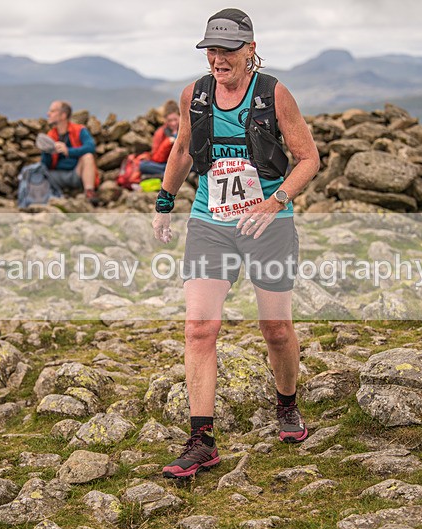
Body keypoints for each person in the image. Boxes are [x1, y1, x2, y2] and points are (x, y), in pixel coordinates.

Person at [153, 8, 320, 478]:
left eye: (227, 50)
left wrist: (275, 201)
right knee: (200, 329)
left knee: (276, 330)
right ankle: (201, 439)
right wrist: (165, 203)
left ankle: (287, 404)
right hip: (210, 222)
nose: (217, 59)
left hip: (268, 225)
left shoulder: (274, 94)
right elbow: (184, 149)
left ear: (250, 49)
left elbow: (308, 159)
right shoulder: (195, 94)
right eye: (211, 50)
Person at [37, 100, 99, 206]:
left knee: (88, 156)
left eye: (52, 111)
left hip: (76, 173)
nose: (48, 114)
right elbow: (46, 165)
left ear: (63, 115)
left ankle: (89, 192)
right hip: (56, 175)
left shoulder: (79, 130)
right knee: (37, 171)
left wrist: (68, 151)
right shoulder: (51, 135)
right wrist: (47, 151)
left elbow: (91, 147)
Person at [139, 100, 180, 177]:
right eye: (170, 120)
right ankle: (170, 174)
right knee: (143, 165)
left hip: (181, 163)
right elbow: (157, 158)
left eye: (175, 120)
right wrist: (168, 142)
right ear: (165, 120)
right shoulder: (160, 132)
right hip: (164, 164)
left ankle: (169, 174)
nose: (173, 123)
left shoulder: (185, 130)